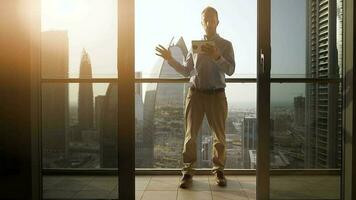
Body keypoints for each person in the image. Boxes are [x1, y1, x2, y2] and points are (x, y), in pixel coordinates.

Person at [155, 6, 235, 188]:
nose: (209, 23)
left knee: (219, 137)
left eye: (212, 19)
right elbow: (186, 71)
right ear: (202, 22)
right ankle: (188, 172)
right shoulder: (194, 45)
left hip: (217, 95)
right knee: (190, 136)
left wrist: (217, 56)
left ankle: (219, 171)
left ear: (217, 21)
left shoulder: (226, 45)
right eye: (205, 19)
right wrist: (170, 59)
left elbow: (230, 70)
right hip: (195, 95)